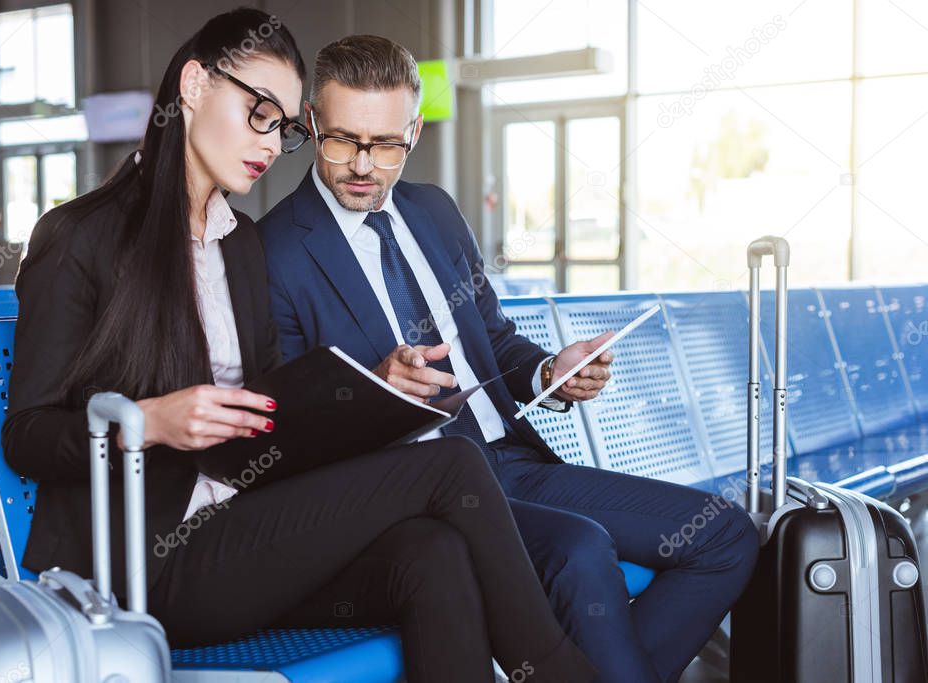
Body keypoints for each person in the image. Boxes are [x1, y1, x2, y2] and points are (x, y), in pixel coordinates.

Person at [1, 8, 597, 682]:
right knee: (452, 463)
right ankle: (558, 672)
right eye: (258, 111)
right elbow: (26, 434)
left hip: (247, 527)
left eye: (283, 126)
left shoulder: (240, 244)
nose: (269, 141)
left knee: (433, 552)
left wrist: (360, 394)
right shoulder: (81, 236)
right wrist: (150, 423)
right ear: (194, 85)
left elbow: (268, 415)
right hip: (150, 564)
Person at [257, 33, 760, 683]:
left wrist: (548, 371)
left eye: (385, 145)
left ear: (412, 131)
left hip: (511, 462)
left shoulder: (431, 211)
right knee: (580, 551)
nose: (362, 165)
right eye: (342, 140)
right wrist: (374, 389)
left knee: (724, 535)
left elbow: (490, 335)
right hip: (418, 493)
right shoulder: (274, 253)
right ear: (311, 124)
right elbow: (286, 428)